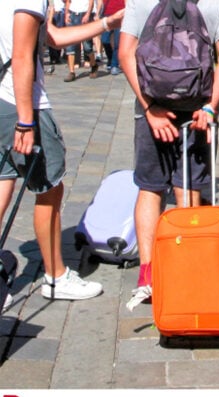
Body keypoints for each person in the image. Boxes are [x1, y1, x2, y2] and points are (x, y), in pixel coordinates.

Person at [0, 0, 123, 306]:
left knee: (3, 182)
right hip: (20, 103)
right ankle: (55, 276)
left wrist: (108, 23)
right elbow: (21, 56)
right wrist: (26, 122)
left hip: (2, 101)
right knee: (50, 188)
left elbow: (51, 36)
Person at [119, 0, 219, 311]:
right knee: (189, 188)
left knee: (150, 188)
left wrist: (149, 108)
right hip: (198, 108)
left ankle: (148, 275)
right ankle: (184, 266)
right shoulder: (217, 1)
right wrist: (211, 106)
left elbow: (125, 52)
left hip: (152, 108)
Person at [63, 0, 98, 82]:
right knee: (70, 45)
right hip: (72, 14)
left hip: (84, 14)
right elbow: (68, 1)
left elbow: (91, 2)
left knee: (87, 46)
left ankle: (93, 64)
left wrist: (88, 14)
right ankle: (71, 72)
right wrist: (67, 14)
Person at [97, 0, 125, 75]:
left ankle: (114, 65)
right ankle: (111, 58)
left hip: (120, 15)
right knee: (104, 40)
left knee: (117, 43)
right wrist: (97, 13)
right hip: (107, 15)